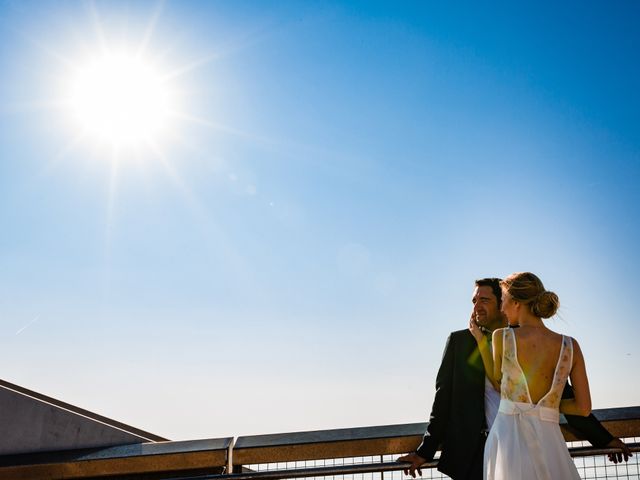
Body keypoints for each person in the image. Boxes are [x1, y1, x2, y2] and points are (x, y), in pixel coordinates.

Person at [398, 277, 630, 480]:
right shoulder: (459, 343)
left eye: (484, 300)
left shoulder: (530, 344)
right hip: (471, 458)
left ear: (504, 303)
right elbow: (442, 400)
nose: (476, 306)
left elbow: (562, 395)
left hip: (528, 449)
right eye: (474, 301)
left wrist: (604, 439)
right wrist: (424, 452)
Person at [469, 272, 629, 479]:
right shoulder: (570, 346)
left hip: (509, 441)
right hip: (549, 440)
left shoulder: (504, 337)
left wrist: (480, 340)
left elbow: (498, 382)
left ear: (516, 302)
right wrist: (548, 406)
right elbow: (583, 408)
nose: (502, 308)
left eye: (505, 300)